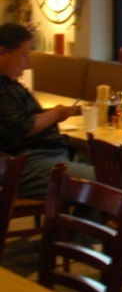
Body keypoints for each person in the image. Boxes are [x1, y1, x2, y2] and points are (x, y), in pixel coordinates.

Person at [0, 23, 93, 199]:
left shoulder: (10, 83)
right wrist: (56, 114)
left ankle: (74, 217)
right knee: (98, 183)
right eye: (24, 55)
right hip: (25, 163)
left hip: (48, 155)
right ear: (2, 53)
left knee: (110, 173)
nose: (27, 61)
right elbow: (22, 127)